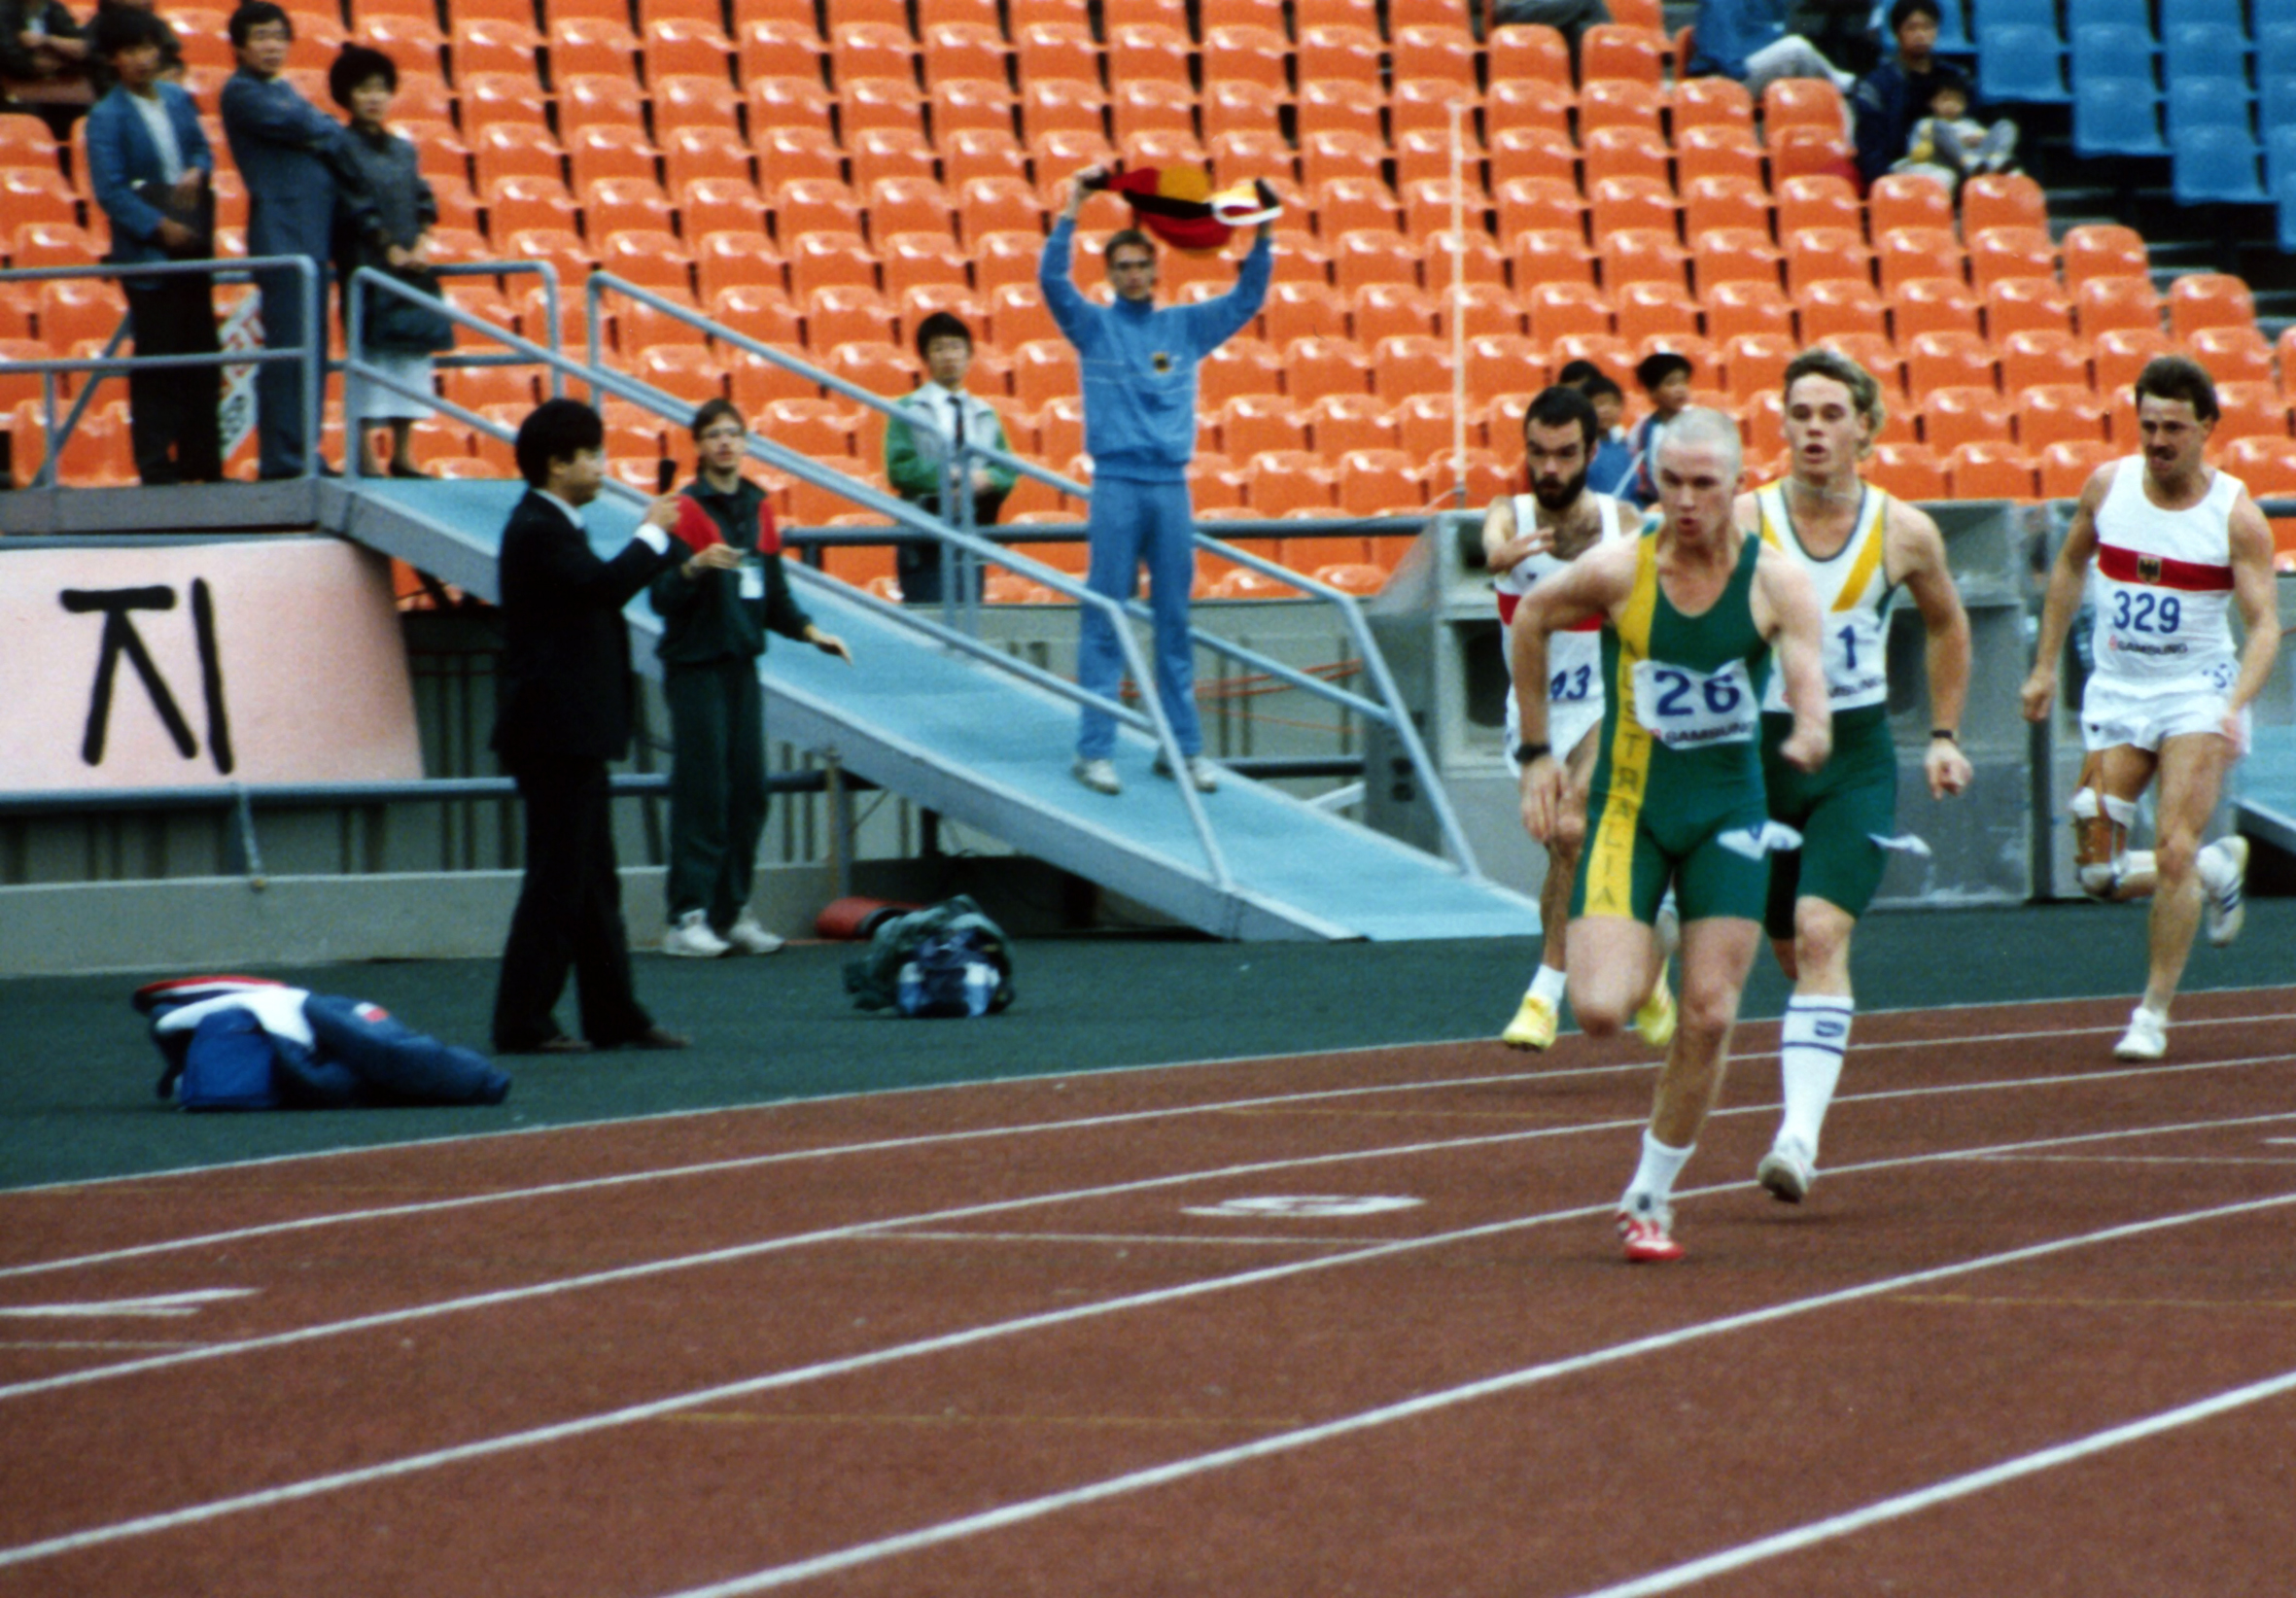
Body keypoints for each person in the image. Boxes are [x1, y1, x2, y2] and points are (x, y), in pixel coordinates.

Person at [1512, 407, 1830, 1263]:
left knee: (1713, 1014)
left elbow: (1809, 682)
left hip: (1730, 814)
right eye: (1673, 483)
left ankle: (1651, 1193)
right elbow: (1529, 621)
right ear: (1653, 482)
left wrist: (1809, 731)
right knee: (1600, 1011)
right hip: (1629, 811)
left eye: (1706, 484)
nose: (1688, 502)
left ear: (1737, 485)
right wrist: (1540, 754)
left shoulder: (1777, 582)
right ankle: (1638, 955)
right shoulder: (1620, 569)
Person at [1736, 349, 1975, 1203]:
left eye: (1831, 414)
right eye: (1800, 413)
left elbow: (1947, 625)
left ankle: (1796, 1142)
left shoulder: (1903, 530)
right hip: (1755, 760)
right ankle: (1813, 1061)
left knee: (1823, 934)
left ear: (1865, 429)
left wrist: (1943, 732)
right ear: (1782, 423)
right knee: (1786, 948)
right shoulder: (1742, 520)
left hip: (1854, 757)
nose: (1813, 429)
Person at [2020, 356, 2279, 1063]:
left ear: (2207, 429)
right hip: (2118, 691)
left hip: (2197, 694)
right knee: (2096, 874)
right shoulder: (2107, 487)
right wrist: (2045, 665)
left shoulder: (2236, 517)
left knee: (2170, 846)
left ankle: (2152, 1013)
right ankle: (2214, 871)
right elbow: (2071, 564)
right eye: (2148, 425)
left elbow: (2264, 625)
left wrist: (2234, 701)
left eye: (2173, 427)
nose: (2158, 440)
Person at [1041, 163, 1272, 798]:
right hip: (1115, 486)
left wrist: (1264, 232)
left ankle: (1183, 750)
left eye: (1142, 265)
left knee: (1173, 621)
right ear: (1111, 276)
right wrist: (1075, 203)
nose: (1134, 275)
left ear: (1155, 271)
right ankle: (1095, 751)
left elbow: (1247, 299)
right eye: (1122, 268)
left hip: (1171, 488)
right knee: (1105, 620)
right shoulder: (1092, 326)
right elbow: (1050, 280)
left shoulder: (1185, 327)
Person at [490, 398, 699, 1055]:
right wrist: (650, 537)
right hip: (553, 732)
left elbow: (600, 586)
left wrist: (664, 548)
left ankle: (613, 1014)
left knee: (589, 879)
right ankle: (523, 1018)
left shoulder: (554, 525)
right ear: (558, 464)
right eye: (591, 454)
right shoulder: (537, 528)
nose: (601, 466)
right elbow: (599, 588)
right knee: (558, 878)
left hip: (568, 731)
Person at [1483, 385, 1672, 1054]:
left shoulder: (1626, 523)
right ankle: (1648, 967)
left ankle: (1542, 996)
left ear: (1593, 451)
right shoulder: (1507, 514)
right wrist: (1500, 559)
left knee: (1571, 827)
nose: (1550, 469)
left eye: (1565, 454)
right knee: (1569, 854)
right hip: (1533, 716)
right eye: (1538, 453)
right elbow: (1490, 545)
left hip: (1605, 710)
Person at [652, 398, 852, 959]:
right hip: (695, 667)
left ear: (746, 441)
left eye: (732, 434)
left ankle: (730, 909)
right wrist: (693, 567)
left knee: (749, 791)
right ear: (697, 445)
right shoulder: (685, 510)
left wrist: (811, 631)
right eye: (713, 434)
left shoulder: (760, 509)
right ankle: (685, 916)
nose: (724, 443)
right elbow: (660, 595)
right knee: (704, 793)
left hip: (741, 665)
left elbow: (774, 593)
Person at [221, 0, 365, 479]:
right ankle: (284, 458)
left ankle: (304, 449)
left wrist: (321, 131)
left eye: (279, 36)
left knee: (313, 348)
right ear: (240, 47)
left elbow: (320, 132)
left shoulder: (282, 89)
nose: (271, 45)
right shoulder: (242, 92)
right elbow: (309, 126)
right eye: (260, 36)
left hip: (312, 235)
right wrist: (323, 130)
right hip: (282, 234)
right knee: (290, 349)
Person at [84, 5, 222, 486]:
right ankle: (156, 464)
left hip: (193, 244)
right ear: (113, 60)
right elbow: (111, 191)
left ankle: (204, 461)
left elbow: (204, 149)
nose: (142, 58)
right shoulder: (105, 117)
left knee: (204, 355)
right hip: (150, 253)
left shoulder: (178, 98)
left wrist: (197, 169)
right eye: (130, 50)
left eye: (147, 47)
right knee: (159, 359)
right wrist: (158, 227)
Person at [329, 43, 450, 479]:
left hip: (409, 267)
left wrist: (421, 240)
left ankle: (403, 452)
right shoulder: (341, 147)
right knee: (370, 356)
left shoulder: (403, 149)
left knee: (410, 355)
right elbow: (354, 204)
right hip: (367, 266)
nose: (374, 97)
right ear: (347, 95)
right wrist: (386, 244)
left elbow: (422, 197)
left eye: (381, 88)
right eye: (364, 89)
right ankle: (363, 454)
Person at [885, 309, 1016, 605]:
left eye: (956, 347)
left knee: (970, 617)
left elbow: (1007, 470)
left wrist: (987, 479)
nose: (949, 356)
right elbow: (898, 469)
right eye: (939, 348)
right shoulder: (906, 409)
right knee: (929, 618)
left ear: (970, 355)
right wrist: (948, 476)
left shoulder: (984, 413)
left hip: (972, 530)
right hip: (923, 534)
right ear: (925, 357)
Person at [1852, 0, 1953, 189]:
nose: (1920, 34)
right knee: (1940, 181)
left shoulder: (1954, 78)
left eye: (1928, 27)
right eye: (1911, 28)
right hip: (1902, 168)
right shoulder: (1876, 85)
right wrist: (1886, 185)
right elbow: (1870, 149)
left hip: (1952, 159)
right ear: (1897, 33)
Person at [1685, 0, 1857, 97]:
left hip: (1749, 71)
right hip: (1721, 82)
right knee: (1796, 48)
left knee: (1822, 94)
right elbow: (1723, 55)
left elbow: (1771, 43)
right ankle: (1845, 85)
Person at [1890, 73, 2018, 194]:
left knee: (2005, 125)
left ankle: (1997, 160)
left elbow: (1987, 139)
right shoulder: (1928, 123)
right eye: (1945, 99)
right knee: (1940, 127)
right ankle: (1968, 162)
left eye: (1958, 101)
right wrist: (1956, 142)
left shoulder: (1969, 124)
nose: (1951, 105)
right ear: (1932, 103)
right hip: (1943, 163)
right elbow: (1916, 154)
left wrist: (1978, 140)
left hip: (1978, 167)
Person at [0, 0, 90, 133]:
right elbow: (10, 58)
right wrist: (36, 63)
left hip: (58, 85)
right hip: (15, 87)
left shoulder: (55, 9)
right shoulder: (4, 10)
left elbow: (81, 49)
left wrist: (46, 40)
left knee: (82, 113)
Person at [1625, 350, 1694, 509]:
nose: (1680, 389)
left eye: (1684, 382)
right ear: (1652, 392)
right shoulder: (1642, 431)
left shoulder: (1699, 423)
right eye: (1671, 383)